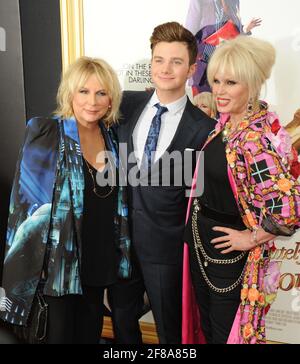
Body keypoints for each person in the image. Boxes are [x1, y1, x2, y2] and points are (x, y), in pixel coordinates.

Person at [0, 57, 131, 344]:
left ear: (111, 99)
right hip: (57, 268)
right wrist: (32, 270)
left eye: (101, 93)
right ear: (69, 93)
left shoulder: (112, 137)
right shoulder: (46, 131)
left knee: (89, 335)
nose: (92, 101)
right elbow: (25, 208)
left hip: (98, 264)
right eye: (83, 91)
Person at [182, 35, 300, 344]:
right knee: (208, 331)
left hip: (231, 259)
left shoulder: (256, 139)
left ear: (252, 84)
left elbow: (289, 210)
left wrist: (251, 237)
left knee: (225, 336)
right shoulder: (226, 124)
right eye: (216, 80)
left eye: (230, 82)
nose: (219, 90)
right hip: (202, 245)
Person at [108, 22, 215, 344]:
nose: (165, 69)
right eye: (159, 59)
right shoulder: (124, 106)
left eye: (176, 61)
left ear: (192, 68)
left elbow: (201, 198)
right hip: (121, 245)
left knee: (170, 330)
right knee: (122, 323)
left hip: (168, 252)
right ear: (151, 61)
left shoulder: (204, 128)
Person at [185, 0, 261, 94]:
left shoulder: (234, 1)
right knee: (204, 103)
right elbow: (189, 35)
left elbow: (232, 30)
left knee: (224, 103)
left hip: (226, 63)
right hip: (204, 64)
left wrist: (245, 29)